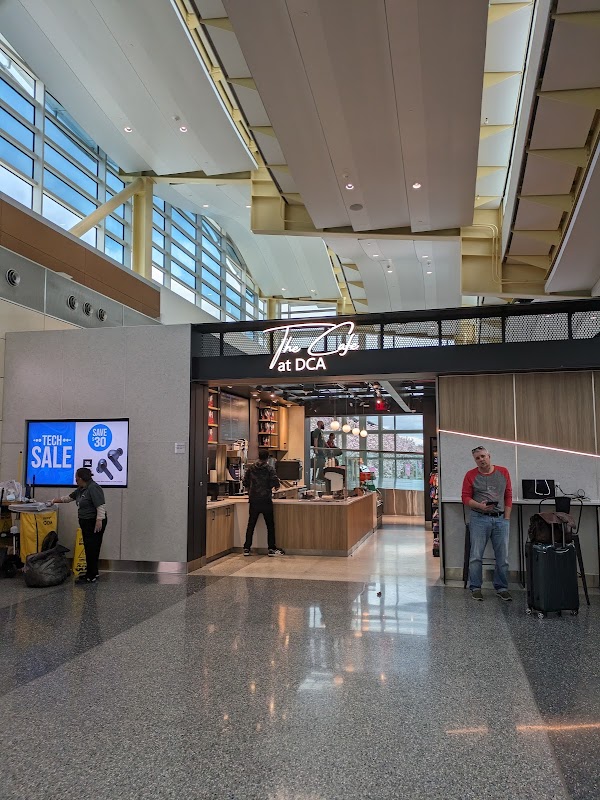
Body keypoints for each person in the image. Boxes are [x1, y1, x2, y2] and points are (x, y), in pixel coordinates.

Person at [462, 446, 512, 602]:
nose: (481, 460)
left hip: (500, 519)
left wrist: (507, 518)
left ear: (489, 456)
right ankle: (476, 587)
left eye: (483, 456)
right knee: (476, 555)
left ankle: (501, 587)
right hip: (479, 518)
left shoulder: (503, 472)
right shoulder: (470, 475)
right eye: (477, 458)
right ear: (475, 461)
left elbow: (508, 494)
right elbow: (465, 497)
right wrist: (479, 506)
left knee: (502, 557)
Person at [52, 467, 107, 584]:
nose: (75, 479)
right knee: (88, 547)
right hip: (86, 522)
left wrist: (99, 520)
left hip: (94, 522)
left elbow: (100, 506)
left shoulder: (93, 488)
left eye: (76, 477)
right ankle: (92, 572)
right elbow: (68, 498)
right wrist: (53, 501)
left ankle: (91, 575)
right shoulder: (82, 489)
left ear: (81, 478)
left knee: (92, 548)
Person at [243, 449, 285, 557]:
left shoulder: (251, 468)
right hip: (265, 500)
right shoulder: (269, 469)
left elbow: (245, 482)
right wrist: (274, 486)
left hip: (253, 500)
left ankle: (246, 548)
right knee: (270, 525)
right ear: (267, 458)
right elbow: (275, 483)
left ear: (259, 456)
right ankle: (271, 548)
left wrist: (250, 490)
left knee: (251, 524)